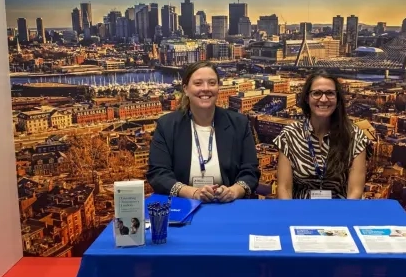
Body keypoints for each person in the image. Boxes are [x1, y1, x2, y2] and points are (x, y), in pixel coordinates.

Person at [147, 61, 260, 203]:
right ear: (186, 89)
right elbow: (158, 174)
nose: (206, 89)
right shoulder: (167, 126)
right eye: (198, 83)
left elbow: (250, 172)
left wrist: (233, 191)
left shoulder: (239, 124)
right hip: (183, 205)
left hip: (228, 206)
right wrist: (193, 193)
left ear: (218, 87)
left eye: (212, 83)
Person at [274, 70, 368, 199]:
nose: (323, 99)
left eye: (329, 93)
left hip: (340, 212)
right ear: (307, 98)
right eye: (317, 93)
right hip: (300, 212)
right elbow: (284, 189)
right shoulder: (290, 135)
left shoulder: (355, 136)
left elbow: (355, 191)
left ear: (338, 98)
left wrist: (343, 218)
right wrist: (292, 218)